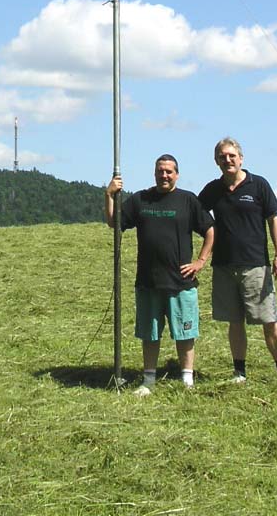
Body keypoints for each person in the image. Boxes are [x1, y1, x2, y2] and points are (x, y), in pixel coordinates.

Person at [105, 155, 214, 395]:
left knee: (185, 333)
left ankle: (187, 379)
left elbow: (210, 230)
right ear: (154, 173)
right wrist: (109, 195)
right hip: (148, 281)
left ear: (177, 174)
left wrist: (200, 261)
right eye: (160, 171)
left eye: (169, 171)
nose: (164, 175)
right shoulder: (141, 199)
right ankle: (149, 380)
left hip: (181, 282)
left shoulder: (188, 200)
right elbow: (114, 223)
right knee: (150, 334)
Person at [198, 137, 277, 388]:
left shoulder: (258, 185)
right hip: (224, 266)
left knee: (268, 320)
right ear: (216, 161)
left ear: (241, 158)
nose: (227, 160)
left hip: (256, 265)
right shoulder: (213, 190)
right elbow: (196, 214)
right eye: (222, 157)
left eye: (232, 156)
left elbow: (273, 220)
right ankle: (239, 372)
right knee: (235, 321)